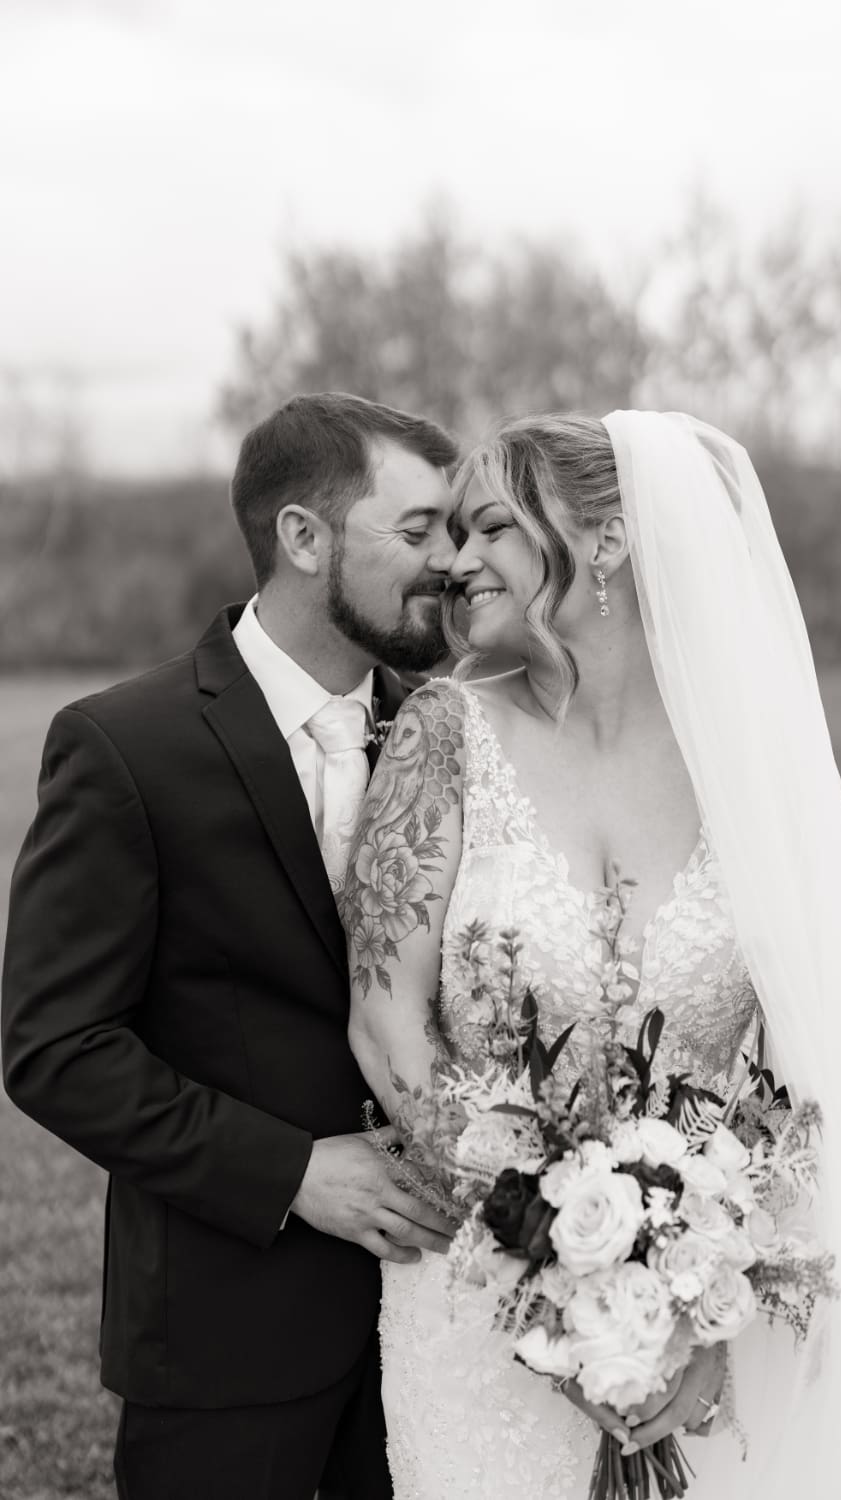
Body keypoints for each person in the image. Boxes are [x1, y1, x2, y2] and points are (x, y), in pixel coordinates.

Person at [342, 411, 841, 1499]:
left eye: (492, 528)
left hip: (708, 1309)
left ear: (607, 540)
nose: (456, 562)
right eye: (452, 533)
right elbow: (384, 1018)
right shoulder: (441, 736)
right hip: (477, 1306)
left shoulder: (752, 766)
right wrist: (545, 1254)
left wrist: (704, 1286)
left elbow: (810, 1063)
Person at [1, 392, 461, 1500]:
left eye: (454, 530)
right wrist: (292, 1172)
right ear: (303, 537)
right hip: (227, 1331)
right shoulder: (125, 747)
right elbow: (56, 1048)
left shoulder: (456, 738)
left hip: (445, 1324)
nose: (450, 562)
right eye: (417, 531)